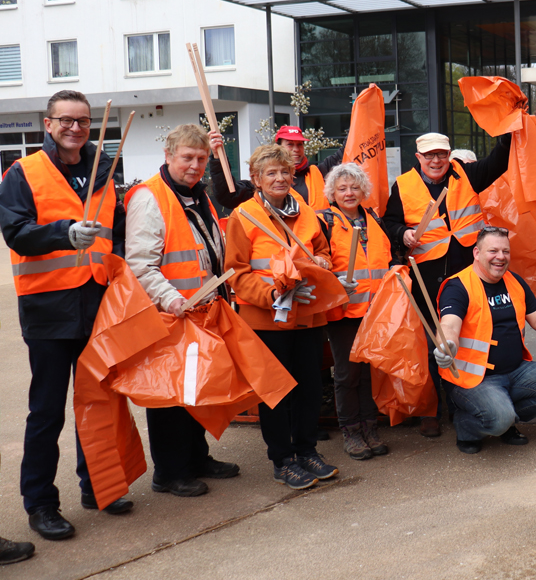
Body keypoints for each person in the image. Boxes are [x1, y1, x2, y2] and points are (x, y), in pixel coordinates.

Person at [0, 90, 132, 540]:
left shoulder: (104, 172)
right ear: (48, 124)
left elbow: (115, 235)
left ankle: (99, 485)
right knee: (47, 412)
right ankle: (40, 503)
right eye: (66, 121)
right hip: (49, 310)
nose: (75, 128)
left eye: (83, 121)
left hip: (97, 306)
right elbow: (16, 232)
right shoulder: (24, 172)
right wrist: (64, 234)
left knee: (97, 404)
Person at [124, 124, 241, 497]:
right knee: (169, 396)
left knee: (194, 388)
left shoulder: (197, 195)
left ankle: (195, 457)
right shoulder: (150, 198)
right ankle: (169, 472)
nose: (194, 166)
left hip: (201, 311)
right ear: (169, 156)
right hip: (170, 312)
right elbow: (141, 265)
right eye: (187, 158)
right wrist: (172, 299)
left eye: (201, 159)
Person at [383, 131, 511, 437]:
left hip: (468, 274)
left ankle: (461, 403)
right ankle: (431, 409)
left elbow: (500, 160)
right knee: (430, 345)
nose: (436, 161)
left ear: (449, 154)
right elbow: (388, 222)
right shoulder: (403, 185)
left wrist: (506, 126)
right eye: (430, 156)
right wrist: (403, 233)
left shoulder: (465, 173)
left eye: (441, 154)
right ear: (419, 158)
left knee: (467, 339)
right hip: (426, 278)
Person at [225, 144, 338, 490]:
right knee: (275, 391)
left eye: (285, 172)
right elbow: (235, 272)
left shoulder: (304, 209)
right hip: (266, 318)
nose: (279, 178)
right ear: (256, 179)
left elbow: (321, 250)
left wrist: (323, 263)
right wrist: (272, 295)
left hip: (307, 313)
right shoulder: (242, 216)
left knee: (309, 386)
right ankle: (283, 459)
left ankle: (306, 450)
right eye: (270, 173)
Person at [435, 227, 536, 454]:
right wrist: (447, 344)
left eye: (505, 251)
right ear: (476, 253)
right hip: (475, 378)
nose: (500, 257)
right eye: (493, 251)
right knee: (500, 419)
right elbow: (449, 324)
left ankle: (504, 418)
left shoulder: (514, 281)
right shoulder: (458, 286)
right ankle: (468, 426)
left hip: (516, 370)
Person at [318, 163, 392, 460]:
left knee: (368, 373)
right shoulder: (324, 223)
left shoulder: (373, 219)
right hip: (344, 313)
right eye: (342, 188)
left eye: (354, 187)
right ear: (332, 194)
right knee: (347, 374)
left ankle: (369, 426)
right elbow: (318, 263)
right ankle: (350, 430)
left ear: (364, 191)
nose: (349, 193)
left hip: (374, 311)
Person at [209, 125, 346, 211]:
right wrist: (217, 157)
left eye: (299, 145)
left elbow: (348, 149)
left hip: (316, 246)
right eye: (290, 144)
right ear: (278, 147)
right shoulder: (259, 185)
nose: (296, 149)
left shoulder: (318, 172)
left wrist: (365, 109)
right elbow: (228, 195)